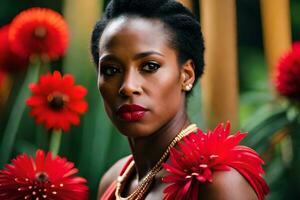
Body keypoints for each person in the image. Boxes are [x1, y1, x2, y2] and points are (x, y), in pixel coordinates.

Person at [90, 0, 269, 199]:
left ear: (186, 75)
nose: (128, 86)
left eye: (150, 66)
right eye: (111, 70)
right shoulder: (114, 180)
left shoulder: (217, 183)